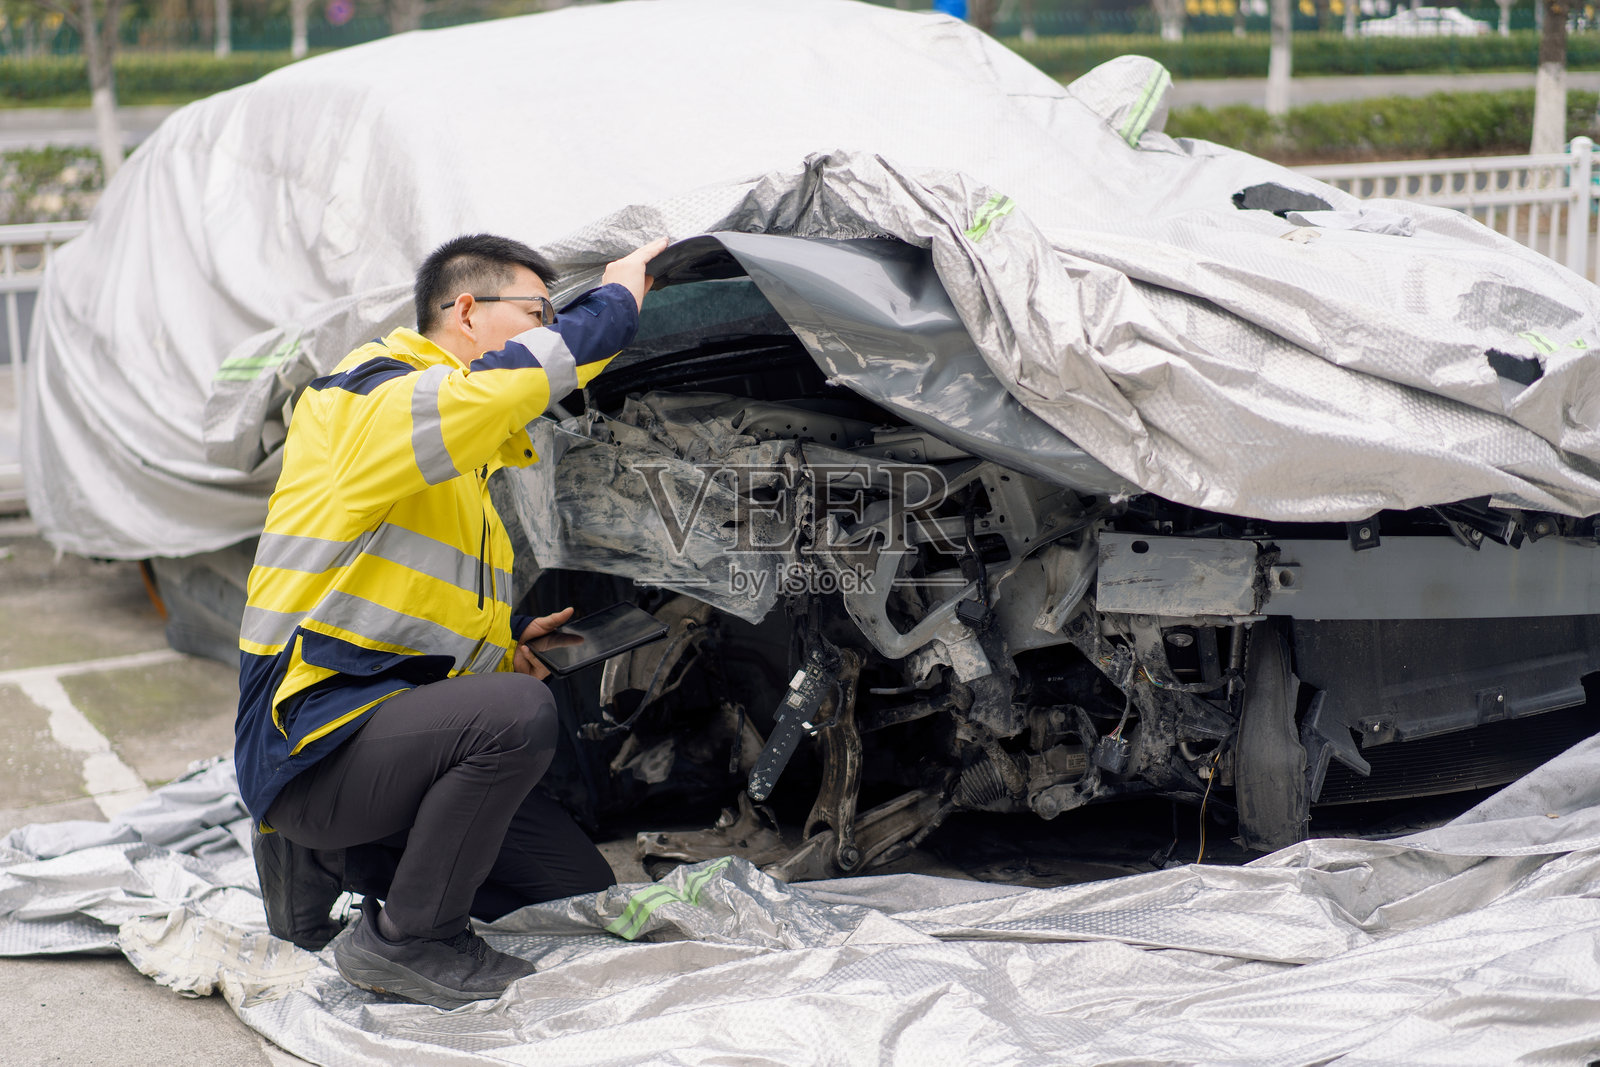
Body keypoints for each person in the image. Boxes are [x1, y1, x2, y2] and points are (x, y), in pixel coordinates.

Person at [235, 232, 668, 1009]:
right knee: (515, 718)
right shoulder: (367, 398)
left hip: (375, 737)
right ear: (466, 310)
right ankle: (408, 942)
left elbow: (402, 617)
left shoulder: (457, 473)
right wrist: (617, 301)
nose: (544, 330)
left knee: (574, 890)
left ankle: (354, 865)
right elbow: (513, 384)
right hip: (310, 741)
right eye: (537, 311)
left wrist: (504, 649)